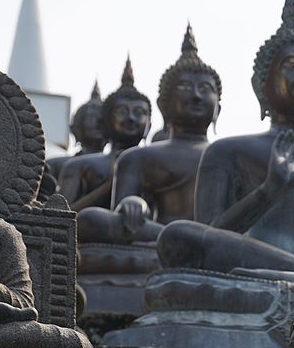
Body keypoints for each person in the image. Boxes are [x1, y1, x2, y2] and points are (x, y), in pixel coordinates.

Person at [157, 0, 294, 273]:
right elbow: (207, 238)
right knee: (178, 237)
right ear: (261, 86)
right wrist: (270, 191)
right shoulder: (228, 151)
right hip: (251, 272)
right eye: (292, 65)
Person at [77, 24, 222, 244]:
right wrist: (132, 203)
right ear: (164, 106)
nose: (195, 96)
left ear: (218, 108)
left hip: (216, 244)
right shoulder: (137, 158)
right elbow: (122, 218)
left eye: (205, 89)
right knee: (91, 220)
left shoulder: (230, 152)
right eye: (184, 88)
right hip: (161, 241)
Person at [58, 58, 151, 211]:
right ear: (105, 121)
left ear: (149, 125)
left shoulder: (158, 166)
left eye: (139, 112)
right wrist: (111, 185)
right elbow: (60, 218)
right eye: (122, 112)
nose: (131, 118)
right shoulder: (79, 166)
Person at [47, 80, 107, 181]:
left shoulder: (118, 168)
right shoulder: (54, 165)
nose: (98, 124)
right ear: (78, 125)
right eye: (91, 119)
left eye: (103, 120)